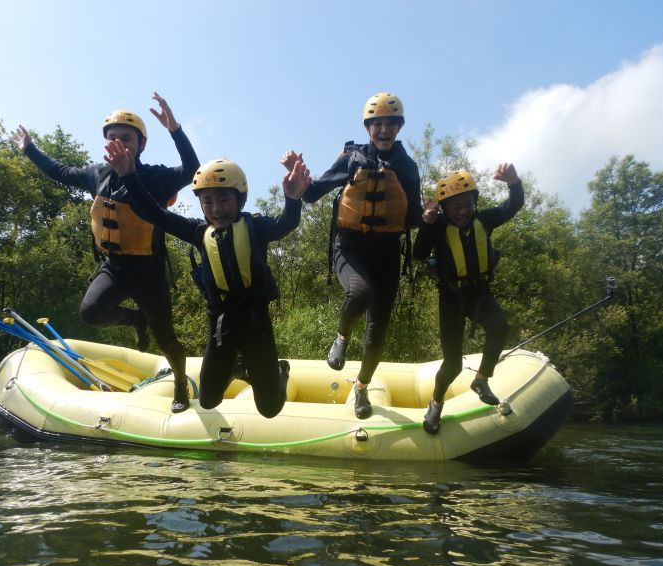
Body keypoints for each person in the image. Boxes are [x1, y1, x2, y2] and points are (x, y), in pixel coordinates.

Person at [14, 93, 198, 413]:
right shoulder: (97, 175)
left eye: (126, 138)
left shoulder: (155, 177)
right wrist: (30, 149)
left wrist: (175, 129)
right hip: (115, 267)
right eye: (112, 138)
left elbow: (192, 169)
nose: (118, 143)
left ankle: (180, 384)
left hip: (148, 271)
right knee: (91, 312)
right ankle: (135, 319)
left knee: (166, 338)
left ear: (141, 145)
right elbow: (60, 171)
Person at [105, 143, 311, 418]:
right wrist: (130, 174)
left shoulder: (255, 227)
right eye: (208, 201)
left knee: (270, 410)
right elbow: (152, 213)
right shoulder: (197, 232)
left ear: (240, 200)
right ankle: (238, 367)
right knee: (209, 400)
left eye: (224, 199)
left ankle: (278, 371)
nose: (216, 208)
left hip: (254, 320)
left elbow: (286, 223)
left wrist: (292, 198)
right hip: (221, 321)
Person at [280, 92, 421, 420]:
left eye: (390, 124)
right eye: (377, 124)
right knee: (359, 292)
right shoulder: (352, 158)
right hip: (351, 245)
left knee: (377, 333)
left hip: (387, 252)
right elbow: (314, 193)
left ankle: (360, 388)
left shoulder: (407, 167)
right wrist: (297, 179)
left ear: (398, 128)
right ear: (369, 128)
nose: (384, 130)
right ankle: (341, 338)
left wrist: (428, 216)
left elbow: (412, 218)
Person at [414, 164, 524, 434]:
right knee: (452, 364)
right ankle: (436, 403)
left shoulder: (484, 220)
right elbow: (418, 253)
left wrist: (514, 182)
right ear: (445, 209)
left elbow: (513, 205)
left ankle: (482, 379)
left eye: (467, 205)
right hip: (451, 298)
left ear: (474, 202)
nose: (462, 212)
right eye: (455, 208)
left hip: (479, 293)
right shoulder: (438, 227)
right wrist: (427, 223)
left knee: (499, 326)